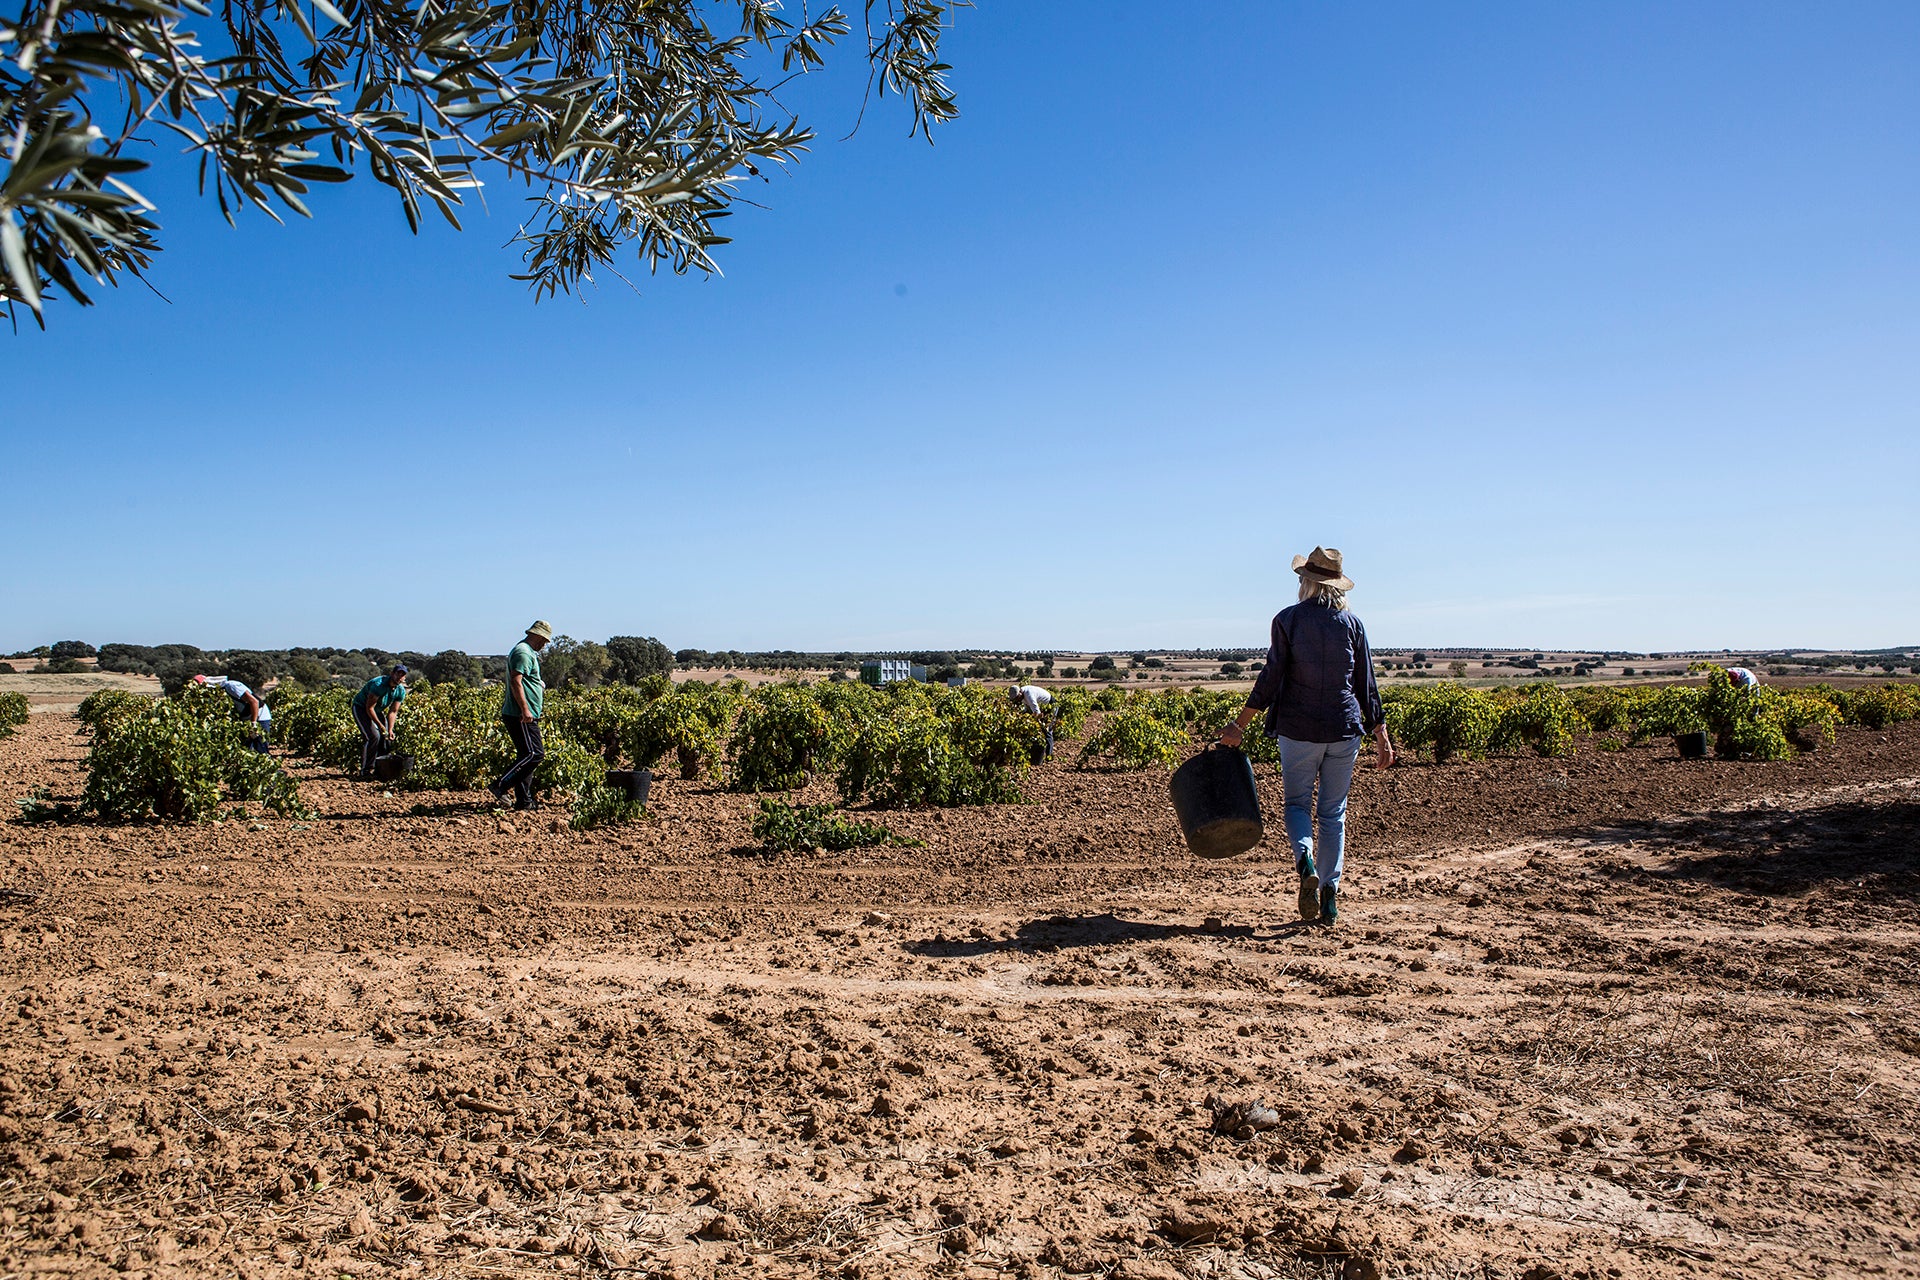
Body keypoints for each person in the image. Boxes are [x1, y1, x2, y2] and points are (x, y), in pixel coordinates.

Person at [1218, 547, 1392, 926]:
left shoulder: (1287, 621)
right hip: (1345, 730)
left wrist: (1240, 724)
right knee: (1333, 814)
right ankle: (1330, 895)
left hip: (1298, 729)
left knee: (1297, 806)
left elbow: (1271, 677)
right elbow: (1366, 683)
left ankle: (1305, 860)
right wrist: (1380, 731)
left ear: (1307, 583)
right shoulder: (1353, 624)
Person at [488, 621, 552, 810]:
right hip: (520, 714)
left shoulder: (527, 652)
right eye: (544, 641)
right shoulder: (523, 652)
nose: (544, 645)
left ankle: (524, 801)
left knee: (527, 755)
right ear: (538, 636)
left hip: (526, 713)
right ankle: (500, 785)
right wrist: (525, 709)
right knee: (535, 754)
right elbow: (517, 681)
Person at [351, 664, 409, 780]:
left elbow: (393, 711)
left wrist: (390, 729)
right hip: (361, 708)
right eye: (398, 673)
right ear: (392, 673)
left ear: (404, 678)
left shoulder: (400, 691)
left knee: (386, 737)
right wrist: (380, 726)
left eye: (402, 675)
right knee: (373, 736)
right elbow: (369, 708)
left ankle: (381, 770)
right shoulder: (379, 685)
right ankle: (366, 771)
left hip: (377, 710)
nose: (399, 677)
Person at [194, 673, 272, 752]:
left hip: (260, 716)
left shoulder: (231, 686)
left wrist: (253, 724)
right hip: (246, 719)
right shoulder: (219, 694)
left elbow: (254, 702)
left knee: (260, 747)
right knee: (246, 750)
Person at [1009, 683, 1056, 758]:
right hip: (1042, 706)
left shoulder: (1029, 695)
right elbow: (1027, 708)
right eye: (1015, 699)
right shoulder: (1022, 695)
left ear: (1020, 692)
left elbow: (1036, 711)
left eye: (1017, 698)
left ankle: (1048, 755)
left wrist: (1038, 724)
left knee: (1047, 729)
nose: (1017, 700)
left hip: (1051, 705)